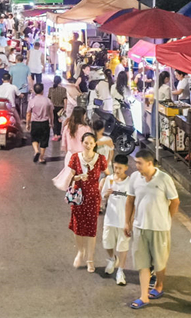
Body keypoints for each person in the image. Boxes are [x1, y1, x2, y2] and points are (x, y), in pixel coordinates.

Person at [124, 149, 180, 310]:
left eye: (139, 163)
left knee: (159, 261)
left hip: (159, 228)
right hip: (139, 227)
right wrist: (127, 222)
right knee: (142, 263)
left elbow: (175, 202)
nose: (136, 166)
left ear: (149, 163)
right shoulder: (135, 178)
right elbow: (130, 201)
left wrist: (167, 218)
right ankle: (143, 296)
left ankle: (159, 286)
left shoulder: (164, 179)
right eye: (136, 162)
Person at [66, 132, 108, 273]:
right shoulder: (75, 158)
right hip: (78, 197)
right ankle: (80, 252)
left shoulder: (101, 159)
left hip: (93, 197)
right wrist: (78, 177)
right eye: (86, 143)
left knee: (91, 229)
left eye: (91, 143)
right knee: (78, 226)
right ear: (82, 143)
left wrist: (102, 183)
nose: (88, 145)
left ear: (95, 144)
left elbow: (108, 174)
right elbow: (69, 178)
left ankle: (90, 259)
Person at [101, 153, 131, 286]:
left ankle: (121, 271)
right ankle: (112, 258)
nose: (117, 171)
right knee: (107, 242)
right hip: (110, 218)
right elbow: (103, 196)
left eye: (120, 168)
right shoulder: (109, 179)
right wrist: (106, 195)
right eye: (115, 167)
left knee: (123, 246)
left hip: (123, 220)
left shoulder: (130, 182)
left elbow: (133, 202)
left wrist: (129, 221)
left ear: (126, 168)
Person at [26, 83, 54, 164]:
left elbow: (28, 114)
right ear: (42, 90)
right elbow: (51, 113)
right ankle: (41, 157)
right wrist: (51, 122)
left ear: (34, 91)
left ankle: (36, 151)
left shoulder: (32, 101)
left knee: (35, 138)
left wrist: (28, 124)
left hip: (35, 123)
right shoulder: (47, 101)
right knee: (44, 140)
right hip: (45, 123)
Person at [48, 76, 67, 141]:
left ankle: (55, 134)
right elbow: (65, 99)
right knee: (59, 121)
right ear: (60, 81)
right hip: (60, 108)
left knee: (53, 121)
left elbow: (49, 99)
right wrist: (65, 108)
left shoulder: (51, 89)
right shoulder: (63, 89)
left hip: (53, 107)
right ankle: (59, 134)